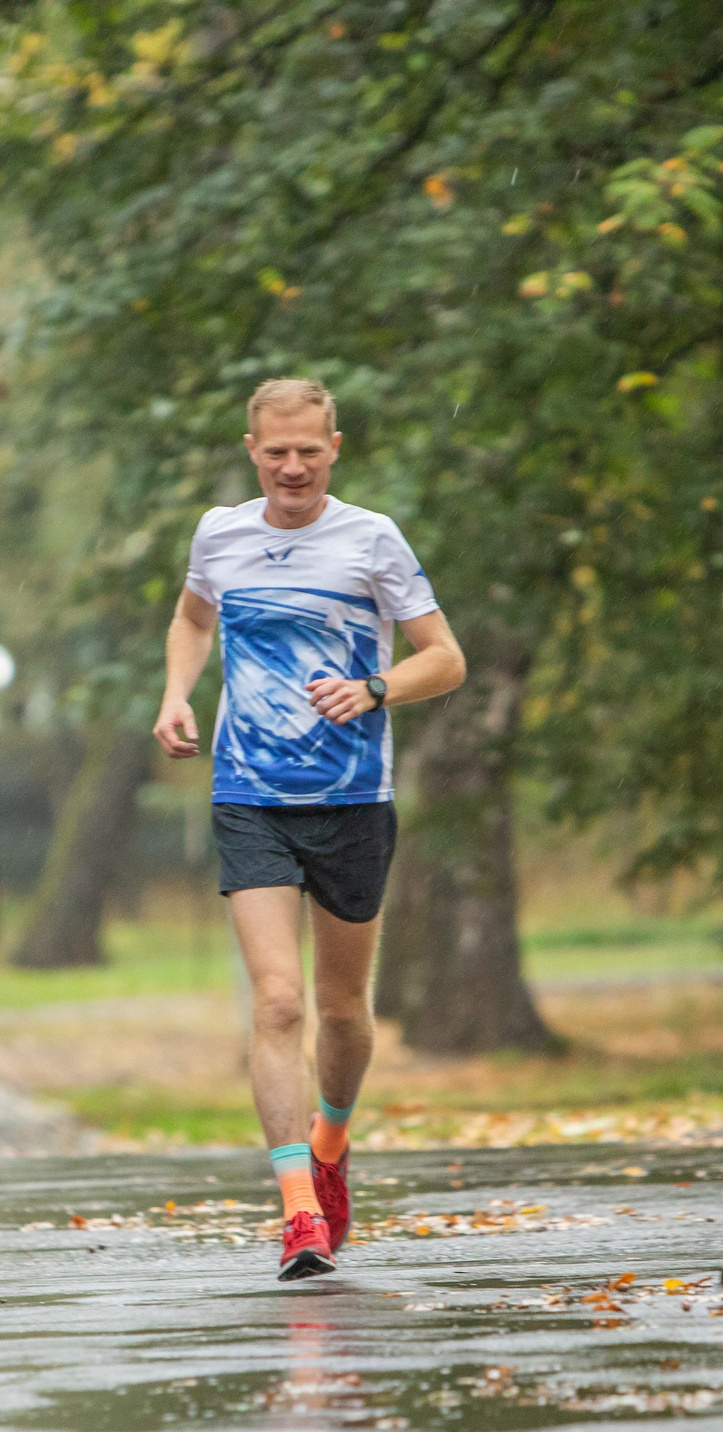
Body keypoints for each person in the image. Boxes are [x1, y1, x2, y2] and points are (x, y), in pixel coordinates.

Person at [154, 378, 466, 1281]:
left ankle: (331, 1140)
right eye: (275, 451)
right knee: (279, 1003)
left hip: (353, 799)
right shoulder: (220, 533)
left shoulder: (372, 539)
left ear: (336, 446)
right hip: (248, 794)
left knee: (341, 1011)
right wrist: (177, 692)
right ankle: (299, 1214)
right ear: (251, 450)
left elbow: (445, 658)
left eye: (309, 450)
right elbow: (190, 616)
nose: (293, 466)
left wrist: (374, 688)